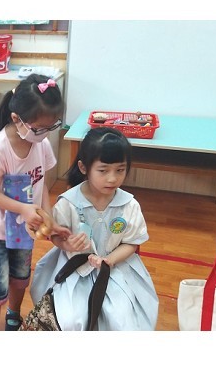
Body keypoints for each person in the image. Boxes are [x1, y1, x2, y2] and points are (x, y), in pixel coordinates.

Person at [30, 127, 159, 330]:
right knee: (71, 318)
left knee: (122, 317)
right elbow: (55, 236)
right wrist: (66, 244)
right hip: (74, 268)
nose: (112, 178)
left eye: (120, 170)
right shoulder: (68, 202)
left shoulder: (129, 205)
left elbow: (131, 243)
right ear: (84, 167)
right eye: (103, 170)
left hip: (115, 268)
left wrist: (109, 260)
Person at [0, 73, 70, 331]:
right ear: (17, 118)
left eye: (51, 127)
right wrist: (23, 209)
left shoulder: (40, 143)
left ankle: (13, 315)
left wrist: (49, 219)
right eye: (39, 128)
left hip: (23, 228)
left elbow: (41, 186)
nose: (45, 134)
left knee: (20, 279)